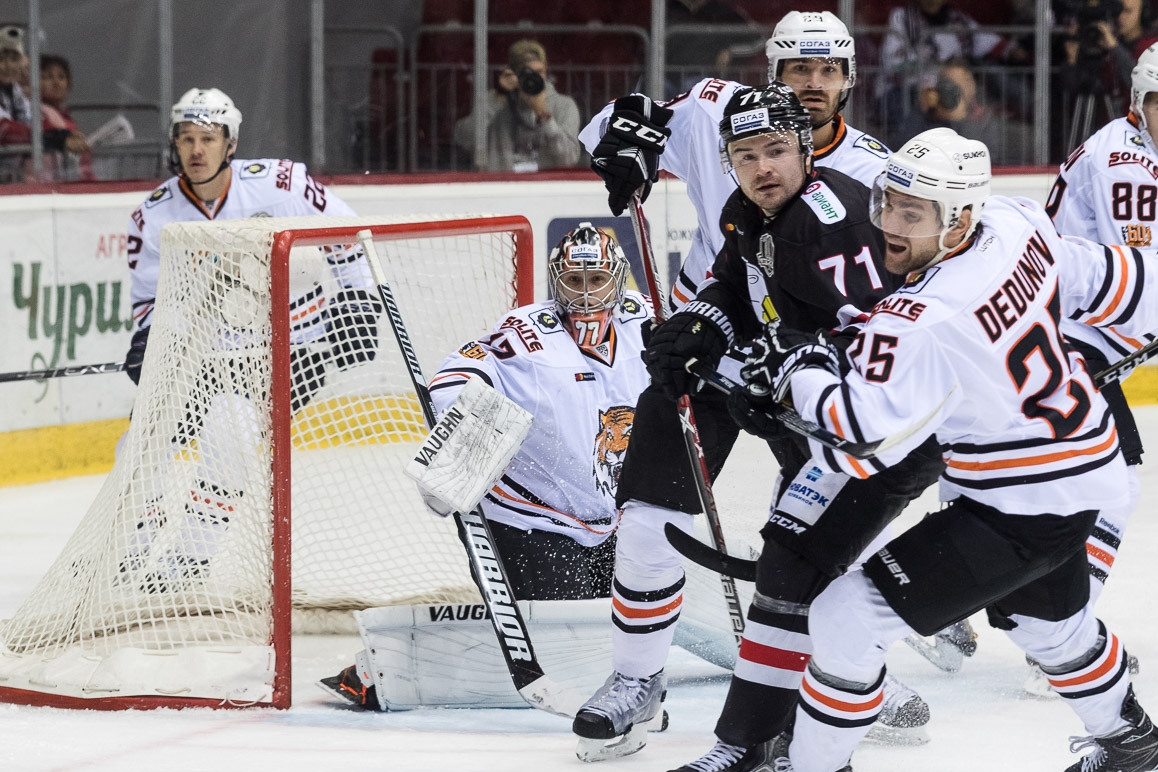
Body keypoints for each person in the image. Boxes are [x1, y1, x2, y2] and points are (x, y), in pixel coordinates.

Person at [728, 126, 1158, 772]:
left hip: (1014, 504)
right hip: (1084, 473)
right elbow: (1105, 277)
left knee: (846, 621)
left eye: (913, 213)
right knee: (1048, 626)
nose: (891, 225)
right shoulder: (1015, 225)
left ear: (958, 220)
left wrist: (799, 373)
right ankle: (1136, 746)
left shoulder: (921, 318)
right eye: (888, 204)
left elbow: (859, 445)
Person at [572, 82, 942, 766]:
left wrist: (786, 380)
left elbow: (872, 342)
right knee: (649, 520)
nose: (762, 166)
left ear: (807, 147)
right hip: (756, 376)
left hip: (835, 404)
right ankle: (638, 680)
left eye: (776, 151)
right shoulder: (748, 207)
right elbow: (731, 282)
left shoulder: (831, 222)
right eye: (746, 155)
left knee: (811, 558)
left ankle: (844, 677)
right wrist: (696, 328)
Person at [319, 224, 652, 710]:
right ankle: (379, 664)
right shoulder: (527, 332)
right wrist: (463, 436)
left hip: (608, 518)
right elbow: (456, 374)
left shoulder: (643, 319)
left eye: (596, 278)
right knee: (553, 637)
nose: (584, 292)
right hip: (531, 519)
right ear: (556, 279)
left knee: (620, 625)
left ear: (618, 280)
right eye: (573, 280)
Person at [119, 87, 380, 590]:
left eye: (208, 139)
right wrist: (148, 339)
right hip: (205, 354)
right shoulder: (153, 215)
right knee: (138, 441)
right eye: (187, 139)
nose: (197, 151)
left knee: (230, 431)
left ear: (230, 143)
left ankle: (189, 557)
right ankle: (132, 548)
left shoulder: (280, 185)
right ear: (174, 143)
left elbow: (349, 232)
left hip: (292, 346)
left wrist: (358, 301)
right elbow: (150, 297)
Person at [580, 10, 890, 313]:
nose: (814, 84)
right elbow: (609, 126)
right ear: (775, 74)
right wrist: (621, 138)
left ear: (849, 79)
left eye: (829, 70)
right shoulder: (716, 112)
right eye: (800, 68)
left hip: (802, 340)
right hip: (697, 325)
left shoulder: (873, 170)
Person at [1035, 40, 1158, 691]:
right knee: (1113, 483)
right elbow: (1136, 280)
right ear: (1139, 105)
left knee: (1067, 486)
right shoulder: (1125, 163)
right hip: (1061, 337)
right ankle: (1063, 637)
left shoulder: (1141, 152)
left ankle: (1048, 624)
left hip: (1072, 334)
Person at [483, 39, 581, 172]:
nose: (534, 79)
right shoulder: (498, 102)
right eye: (528, 73)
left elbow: (569, 158)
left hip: (547, 187)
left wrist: (544, 116)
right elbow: (467, 140)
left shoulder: (564, 105)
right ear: (515, 74)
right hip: (505, 186)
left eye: (539, 72)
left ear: (545, 70)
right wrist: (498, 98)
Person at [37, 54, 92, 182]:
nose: (56, 83)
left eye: (61, 77)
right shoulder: (33, 113)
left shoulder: (68, 119)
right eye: (48, 77)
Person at [454, 65, 517, 161]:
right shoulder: (487, 98)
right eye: (506, 76)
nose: (510, 80)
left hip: (518, 159)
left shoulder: (523, 100)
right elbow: (469, 134)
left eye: (512, 76)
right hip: (489, 159)